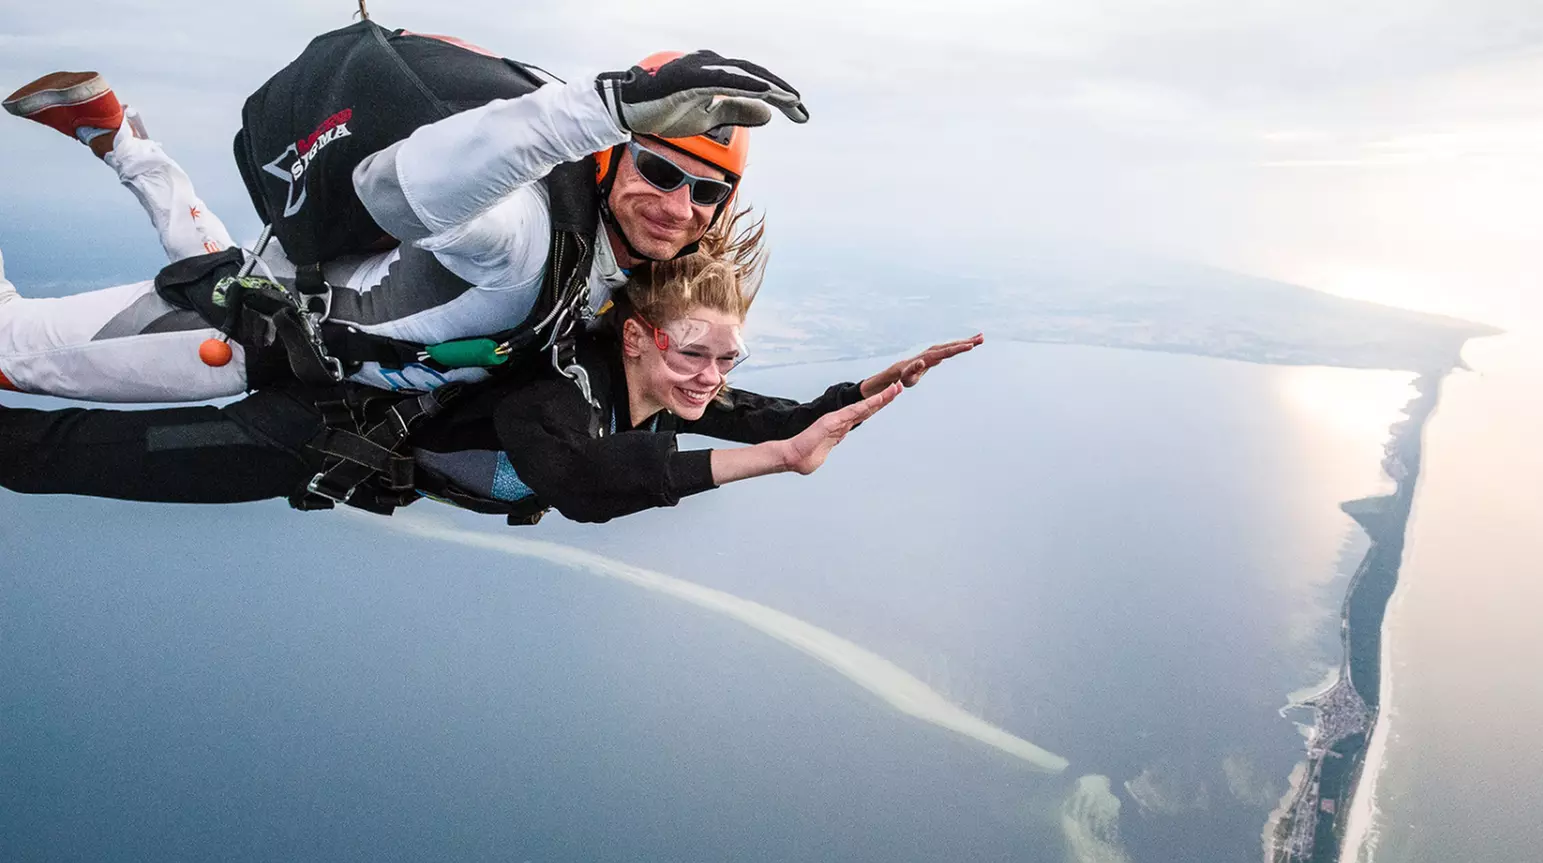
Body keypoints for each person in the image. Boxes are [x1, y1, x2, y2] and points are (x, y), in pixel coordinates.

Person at [0, 214, 982, 524]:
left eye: (728, 356)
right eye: (696, 353)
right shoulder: (567, 391)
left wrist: (868, 392)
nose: (711, 381)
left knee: (42, 415)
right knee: (43, 450)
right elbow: (580, 482)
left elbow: (757, 413)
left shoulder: (651, 372)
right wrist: (783, 463)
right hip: (295, 431)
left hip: (325, 397)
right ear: (637, 338)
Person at [0, 42, 807, 402]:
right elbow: (393, 185)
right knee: (9, 353)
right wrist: (601, 107)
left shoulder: (613, 278)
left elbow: (683, 373)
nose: (678, 207)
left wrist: (802, 423)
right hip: (246, 345)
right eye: (659, 171)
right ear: (610, 158)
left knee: (235, 266)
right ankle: (121, 141)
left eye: (708, 194)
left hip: (291, 302)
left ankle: (122, 140)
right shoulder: (530, 244)